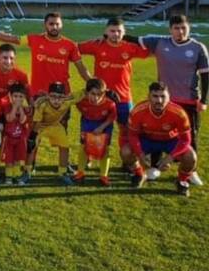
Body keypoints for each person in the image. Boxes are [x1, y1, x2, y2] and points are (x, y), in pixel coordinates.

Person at [128, 14, 208, 186]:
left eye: (183, 28)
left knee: (190, 136)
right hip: (163, 98)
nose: (180, 32)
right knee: (156, 132)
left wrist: (204, 101)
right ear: (170, 29)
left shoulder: (198, 47)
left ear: (189, 28)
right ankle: (154, 167)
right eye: (176, 28)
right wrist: (108, 37)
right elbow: (134, 39)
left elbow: (206, 75)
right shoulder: (160, 42)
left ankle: (190, 171)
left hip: (188, 100)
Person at [79, 17, 148, 149]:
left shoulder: (130, 47)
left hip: (123, 98)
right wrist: (88, 78)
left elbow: (151, 50)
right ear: (106, 31)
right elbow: (75, 49)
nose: (116, 34)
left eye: (119, 31)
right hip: (100, 98)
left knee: (126, 130)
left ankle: (127, 160)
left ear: (124, 33)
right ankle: (90, 157)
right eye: (112, 31)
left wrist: (130, 38)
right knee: (94, 128)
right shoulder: (97, 45)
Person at [122, 82, 197, 197]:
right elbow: (132, 135)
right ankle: (139, 174)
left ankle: (182, 181)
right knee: (125, 151)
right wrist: (140, 155)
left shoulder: (179, 113)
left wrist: (170, 157)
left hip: (170, 141)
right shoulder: (138, 111)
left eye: (163, 96)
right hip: (148, 140)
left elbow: (185, 140)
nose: (159, 100)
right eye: (155, 96)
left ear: (169, 97)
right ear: (148, 97)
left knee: (191, 157)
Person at [0, 12, 90, 97]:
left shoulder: (70, 45)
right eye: (51, 24)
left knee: (61, 120)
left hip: (61, 93)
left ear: (61, 25)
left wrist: (93, 84)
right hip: (38, 93)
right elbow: (11, 38)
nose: (54, 27)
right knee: (37, 120)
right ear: (45, 25)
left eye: (57, 24)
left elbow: (81, 68)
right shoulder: (34, 40)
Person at [74, 78, 116, 186]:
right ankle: (80, 173)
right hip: (87, 122)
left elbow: (112, 117)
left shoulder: (109, 103)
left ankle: (103, 176)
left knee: (104, 150)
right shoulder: (80, 100)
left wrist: (102, 127)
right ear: (87, 92)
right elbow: (70, 101)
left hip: (104, 123)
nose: (96, 97)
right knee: (84, 147)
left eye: (100, 94)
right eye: (93, 94)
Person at [30, 82, 74, 185]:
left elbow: (80, 95)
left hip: (55, 125)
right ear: (48, 95)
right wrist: (32, 136)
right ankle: (28, 170)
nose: (56, 99)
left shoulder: (67, 102)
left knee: (65, 146)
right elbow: (36, 121)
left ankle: (63, 172)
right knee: (32, 145)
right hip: (41, 125)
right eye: (53, 96)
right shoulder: (42, 104)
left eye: (59, 97)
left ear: (64, 97)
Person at [0, 84, 30, 185]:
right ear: (10, 97)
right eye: (15, 96)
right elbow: (9, 118)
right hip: (8, 138)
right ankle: (8, 177)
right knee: (9, 159)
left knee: (17, 159)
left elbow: (22, 121)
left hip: (20, 139)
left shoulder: (26, 109)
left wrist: (20, 108)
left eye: (20, 96)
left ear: (24, 98)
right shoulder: (7, 107)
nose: (18, 99)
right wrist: (14, 107)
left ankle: (16, 176)